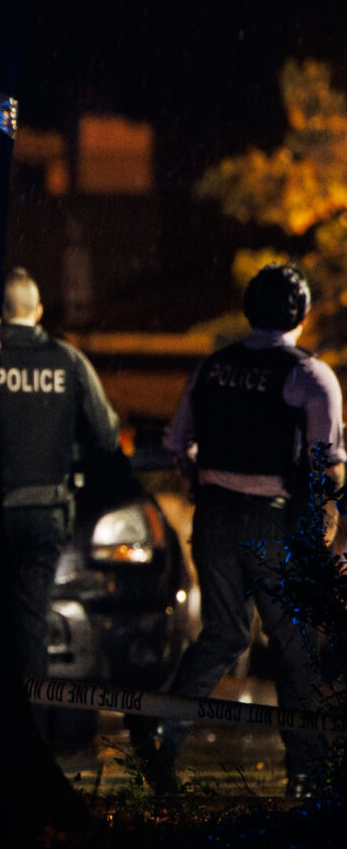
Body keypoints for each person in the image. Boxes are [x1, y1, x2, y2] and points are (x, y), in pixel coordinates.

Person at [131, 262, 340, 795]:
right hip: (274, 521)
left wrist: (202, 484)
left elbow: (178, 442)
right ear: (303, 313)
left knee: (222, 634)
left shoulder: (211, 369)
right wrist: (324, 525)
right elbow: (326, 463)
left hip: (215, 518)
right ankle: (306, 775)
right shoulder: (310, 376)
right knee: (293, 645)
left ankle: (160, 735)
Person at [0, 267, 119, 726]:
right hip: (43, 512)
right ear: (39, 311)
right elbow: (106, 434)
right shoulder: (68, 361)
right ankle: (30, 734)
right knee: (30, 626)